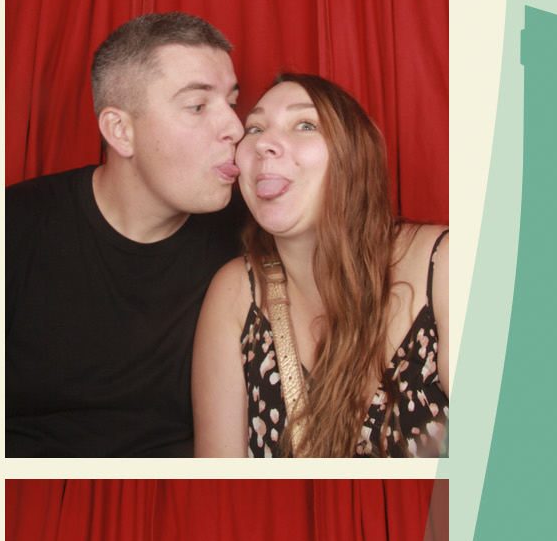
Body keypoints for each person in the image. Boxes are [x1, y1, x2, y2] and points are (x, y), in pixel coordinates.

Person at [6, 12, 246, 458]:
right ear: (120, 131)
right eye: (197, 106)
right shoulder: (8, 228)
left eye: (232, 102)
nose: (235, 127)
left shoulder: (255, 235)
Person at [193, 73, 450, 457]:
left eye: (305, 125)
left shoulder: (445, 266)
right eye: (254, 129)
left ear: (354, 154)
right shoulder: (234, 293)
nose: (263, 142)